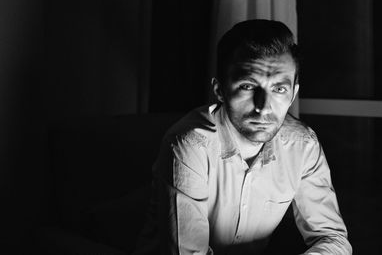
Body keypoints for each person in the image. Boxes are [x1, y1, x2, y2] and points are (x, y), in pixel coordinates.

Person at [134, 20, 352, 255]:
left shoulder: (302, 145)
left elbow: (333, 239)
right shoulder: (188, 145)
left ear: (293, 94)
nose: (263, 107)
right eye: (248, 86)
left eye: (279, 89)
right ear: (220, 90)